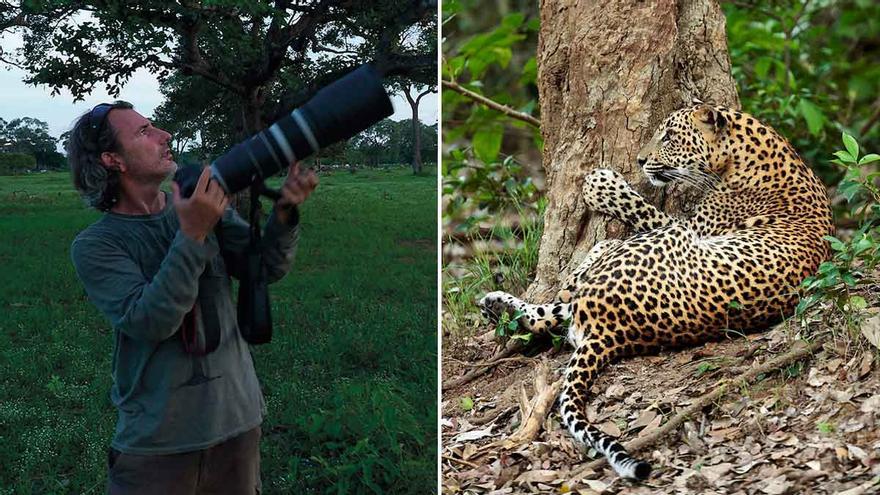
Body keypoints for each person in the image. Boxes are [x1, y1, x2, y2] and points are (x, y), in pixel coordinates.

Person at [68, 101, 318, 494]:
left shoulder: (201, 208)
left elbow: (266, 267)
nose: (164, 135)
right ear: (112, 159)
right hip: (159, 443)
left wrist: (285, 211)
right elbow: (152, 321)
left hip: (236, 423)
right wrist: (193, 233)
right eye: (144, 132)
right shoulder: (97, 245)